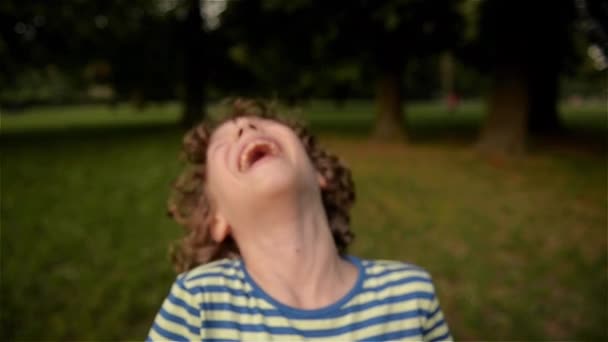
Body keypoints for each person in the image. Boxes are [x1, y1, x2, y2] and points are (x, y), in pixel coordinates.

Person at [147, 99, 452, 341]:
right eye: (221, 143)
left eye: (263, 124)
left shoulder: (410, 297)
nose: (246, 129)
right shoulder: (199, 304)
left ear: (320, 173)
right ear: (215, 218)